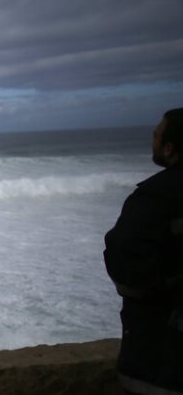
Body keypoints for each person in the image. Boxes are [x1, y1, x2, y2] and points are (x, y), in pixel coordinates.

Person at [104, 108, 183, 395]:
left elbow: (126, 269)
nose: (151, 140)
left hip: (163, 359)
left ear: (169, 147)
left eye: (155, 135)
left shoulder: (156, 197)